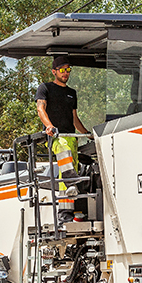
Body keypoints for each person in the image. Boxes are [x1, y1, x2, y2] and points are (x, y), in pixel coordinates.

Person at [36, 54, 90, 219]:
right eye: (62, 70)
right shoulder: (45, 88)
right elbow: (40, 109)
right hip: (56, 136)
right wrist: (49, 126)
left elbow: (74, 118)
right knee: (63, 151)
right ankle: (71, 181)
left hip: (71, 136)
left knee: (66, 173)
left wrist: (87, 134)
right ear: (54, 72)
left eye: (68, 70)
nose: (66, 73)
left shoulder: (72, 93)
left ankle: (65, 213)